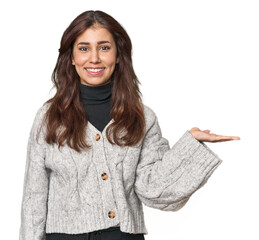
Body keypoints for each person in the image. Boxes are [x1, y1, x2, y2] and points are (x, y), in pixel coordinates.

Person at [18, 10, 240, 240]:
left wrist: (190, 146)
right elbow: (34, 196)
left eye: (104, 47)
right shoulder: (48, 117)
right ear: (72, 57)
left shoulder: (142, 117)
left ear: (117, 54)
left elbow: (152, 188)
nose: (94, 58)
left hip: (122, 235)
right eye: (84, 48)